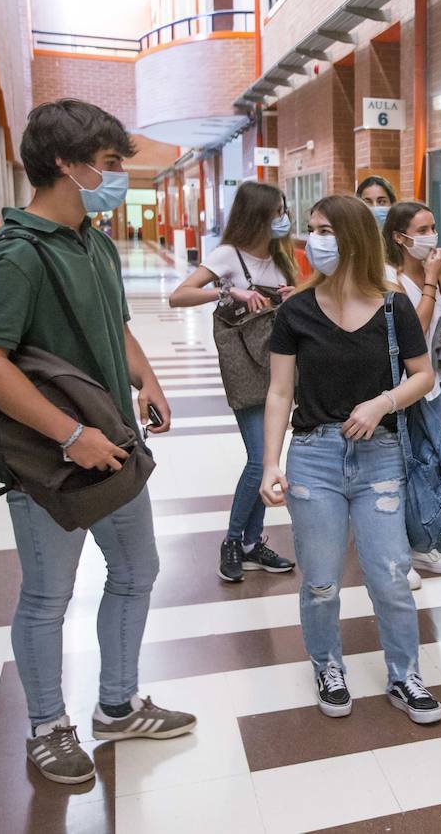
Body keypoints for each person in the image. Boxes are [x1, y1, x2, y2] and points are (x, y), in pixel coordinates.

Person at [0, 99, 195, 786]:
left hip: (110, 446)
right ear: (66, 164)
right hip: (47, 463)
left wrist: (145, 378)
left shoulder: (91, 238)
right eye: (111, 163)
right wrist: (69, 435)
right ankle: (47, 725)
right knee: (47, 598)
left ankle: (117, 706)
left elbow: (114, 322)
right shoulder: (16, 255)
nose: (117, 175)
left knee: (136, 572)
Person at [259, 194, 441, 725]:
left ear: (355, 238)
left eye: (326, 230)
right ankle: (327, 665)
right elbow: (278, 392)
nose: (315, 240)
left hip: (379, 455)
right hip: (314, 457)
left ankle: (405, 674)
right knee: (320, 579)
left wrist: (382, 402)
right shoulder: (295, 309)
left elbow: (423, 375)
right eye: (312, 229)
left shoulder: (393, 306)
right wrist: (272, 463)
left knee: (390, 574)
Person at [169, 181, 298, 583]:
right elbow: (179, 295)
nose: (283, 218)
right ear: (257, 214)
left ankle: (251, 542)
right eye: (277, 211)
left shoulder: (281, 256)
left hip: (278, 366)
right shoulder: (228, 255)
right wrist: (229, 292)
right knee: (261, 459)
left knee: (268, 459)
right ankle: (232, 540)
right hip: (245, 365)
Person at [381, 200, 441, 581]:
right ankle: (397, 553)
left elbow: (434, 330)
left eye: (433, 227)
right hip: (405, 388)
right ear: (400, 238)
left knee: (430, 466)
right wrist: (431, 279)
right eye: (422, 230)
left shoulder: (432, 275)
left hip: (435, 384)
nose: (431, 236)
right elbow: (411, 330)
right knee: (403, 467)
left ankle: (420, 544)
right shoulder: (390, 277)